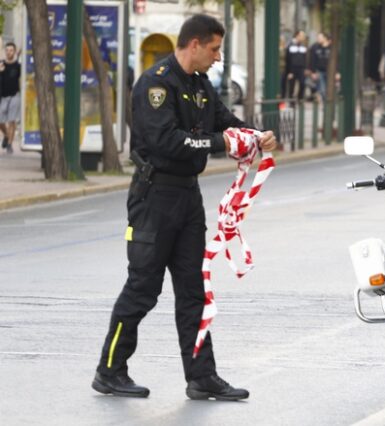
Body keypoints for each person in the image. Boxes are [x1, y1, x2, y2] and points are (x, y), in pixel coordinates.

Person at [91, 14, 277, 401]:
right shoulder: (155, 84)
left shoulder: (200, 85)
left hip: (187, 199)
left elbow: (224, 122)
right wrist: (220, 144)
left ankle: (201, 376)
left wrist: (254, 136)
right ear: (194, 44)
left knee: (195, 291)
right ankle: (110, 370)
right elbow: (168, 143)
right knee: (143, 288)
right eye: (214, 49)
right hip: (154, 197)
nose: (217, 57)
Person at [0, 42, 21, 155]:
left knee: (11, 121)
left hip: (14, 95)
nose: (9, 52)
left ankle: (9, 145)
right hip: (3, 97)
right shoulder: (1, 64)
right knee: (1, 121)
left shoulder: (18, 66)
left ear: (14, 51)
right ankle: (7, 136)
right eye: (7, 50)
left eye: (11, 50)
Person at [281, 30, 308, 101]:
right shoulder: (290, 45)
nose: (303, 37)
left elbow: (305, 58)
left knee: (303, 83)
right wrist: (289, 72)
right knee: (291, 86)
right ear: (297, 36)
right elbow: (288, 59)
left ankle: (300, 99)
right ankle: (291, 102)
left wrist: (305, 68)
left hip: (301, 69)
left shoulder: (303, 46)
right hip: (292, 69)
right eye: (302, 36)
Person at [309, 32, 331, 101]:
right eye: (318, 38)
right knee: (322, 89)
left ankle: (327, 104)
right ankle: (325, 104)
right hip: (319, 71)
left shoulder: (331, 47)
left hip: (329, 72)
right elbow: (312, 60)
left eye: (320, 38)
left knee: (329, 89)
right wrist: (313, 72)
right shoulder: (315, 47)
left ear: (325, 38)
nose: (318, 39)